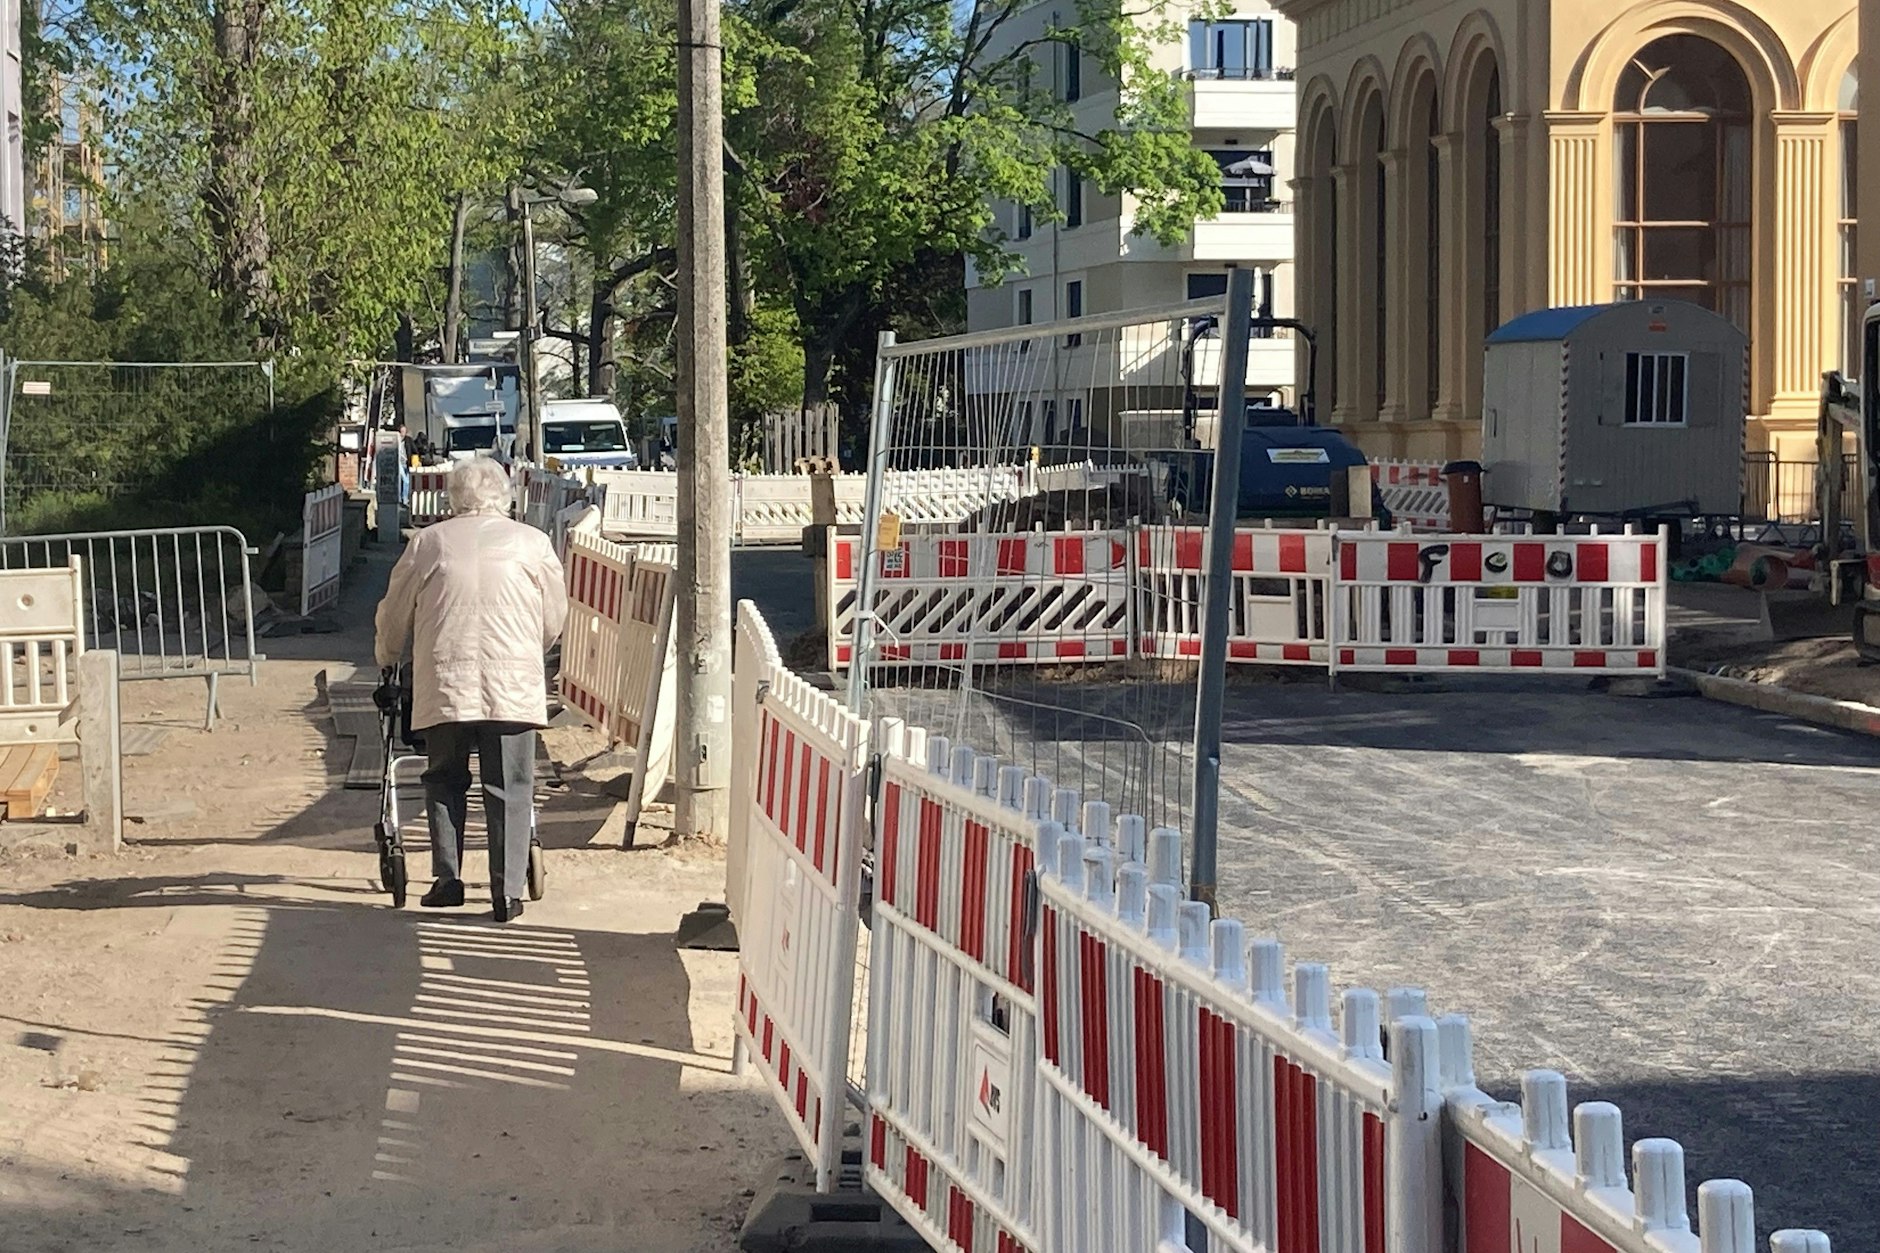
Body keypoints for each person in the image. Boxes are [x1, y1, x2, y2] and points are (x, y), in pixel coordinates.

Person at [373, 457, 569, 922]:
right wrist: (530, 650)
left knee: (444, 778)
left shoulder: (428, 543)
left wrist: (387, 656)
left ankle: (447, 880)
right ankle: (507, 893)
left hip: (446, 680)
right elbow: (554, 618)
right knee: (511, 787)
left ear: (451, 497)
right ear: (506, 496)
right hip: (513, 686)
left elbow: (395, 613)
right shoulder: (533, 543)